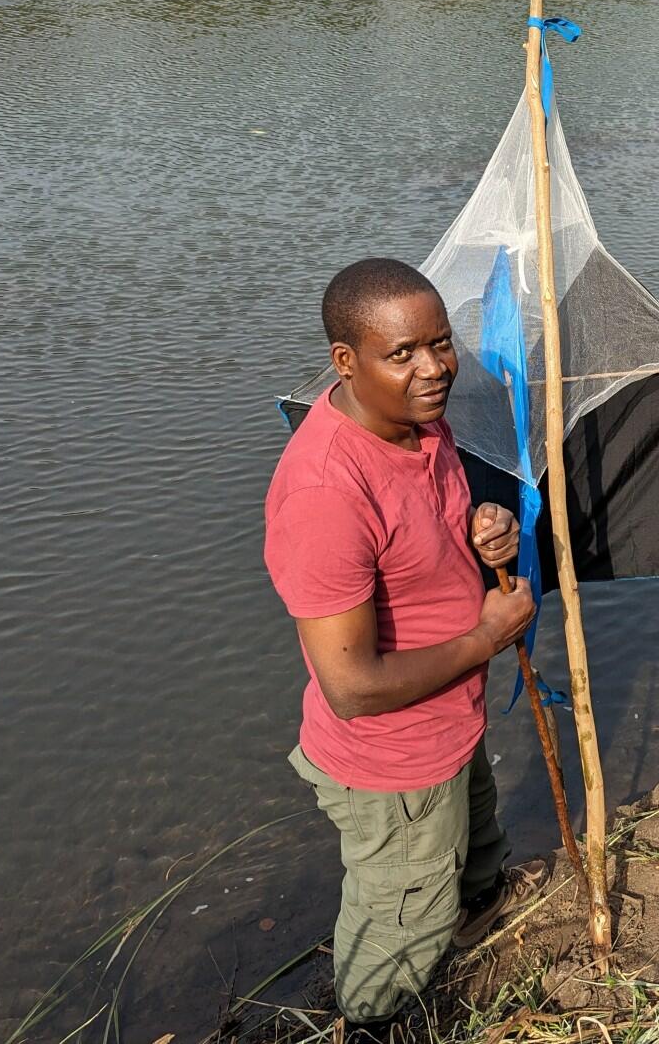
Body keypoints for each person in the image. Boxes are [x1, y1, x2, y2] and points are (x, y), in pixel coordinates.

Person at [264, 257, 544, 1025]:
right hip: (394, 767)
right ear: (345, 361)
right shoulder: (325, 490)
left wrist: (483, 534)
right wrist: (488, 634)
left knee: (477, 866)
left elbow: (418, 543)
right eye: (403, 353)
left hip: (451, 727)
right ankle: (376, 1026)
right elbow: (350, 687)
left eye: (442, 343)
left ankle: (475, 939)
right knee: (394, 937)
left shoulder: (420, 427)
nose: (436, 368)